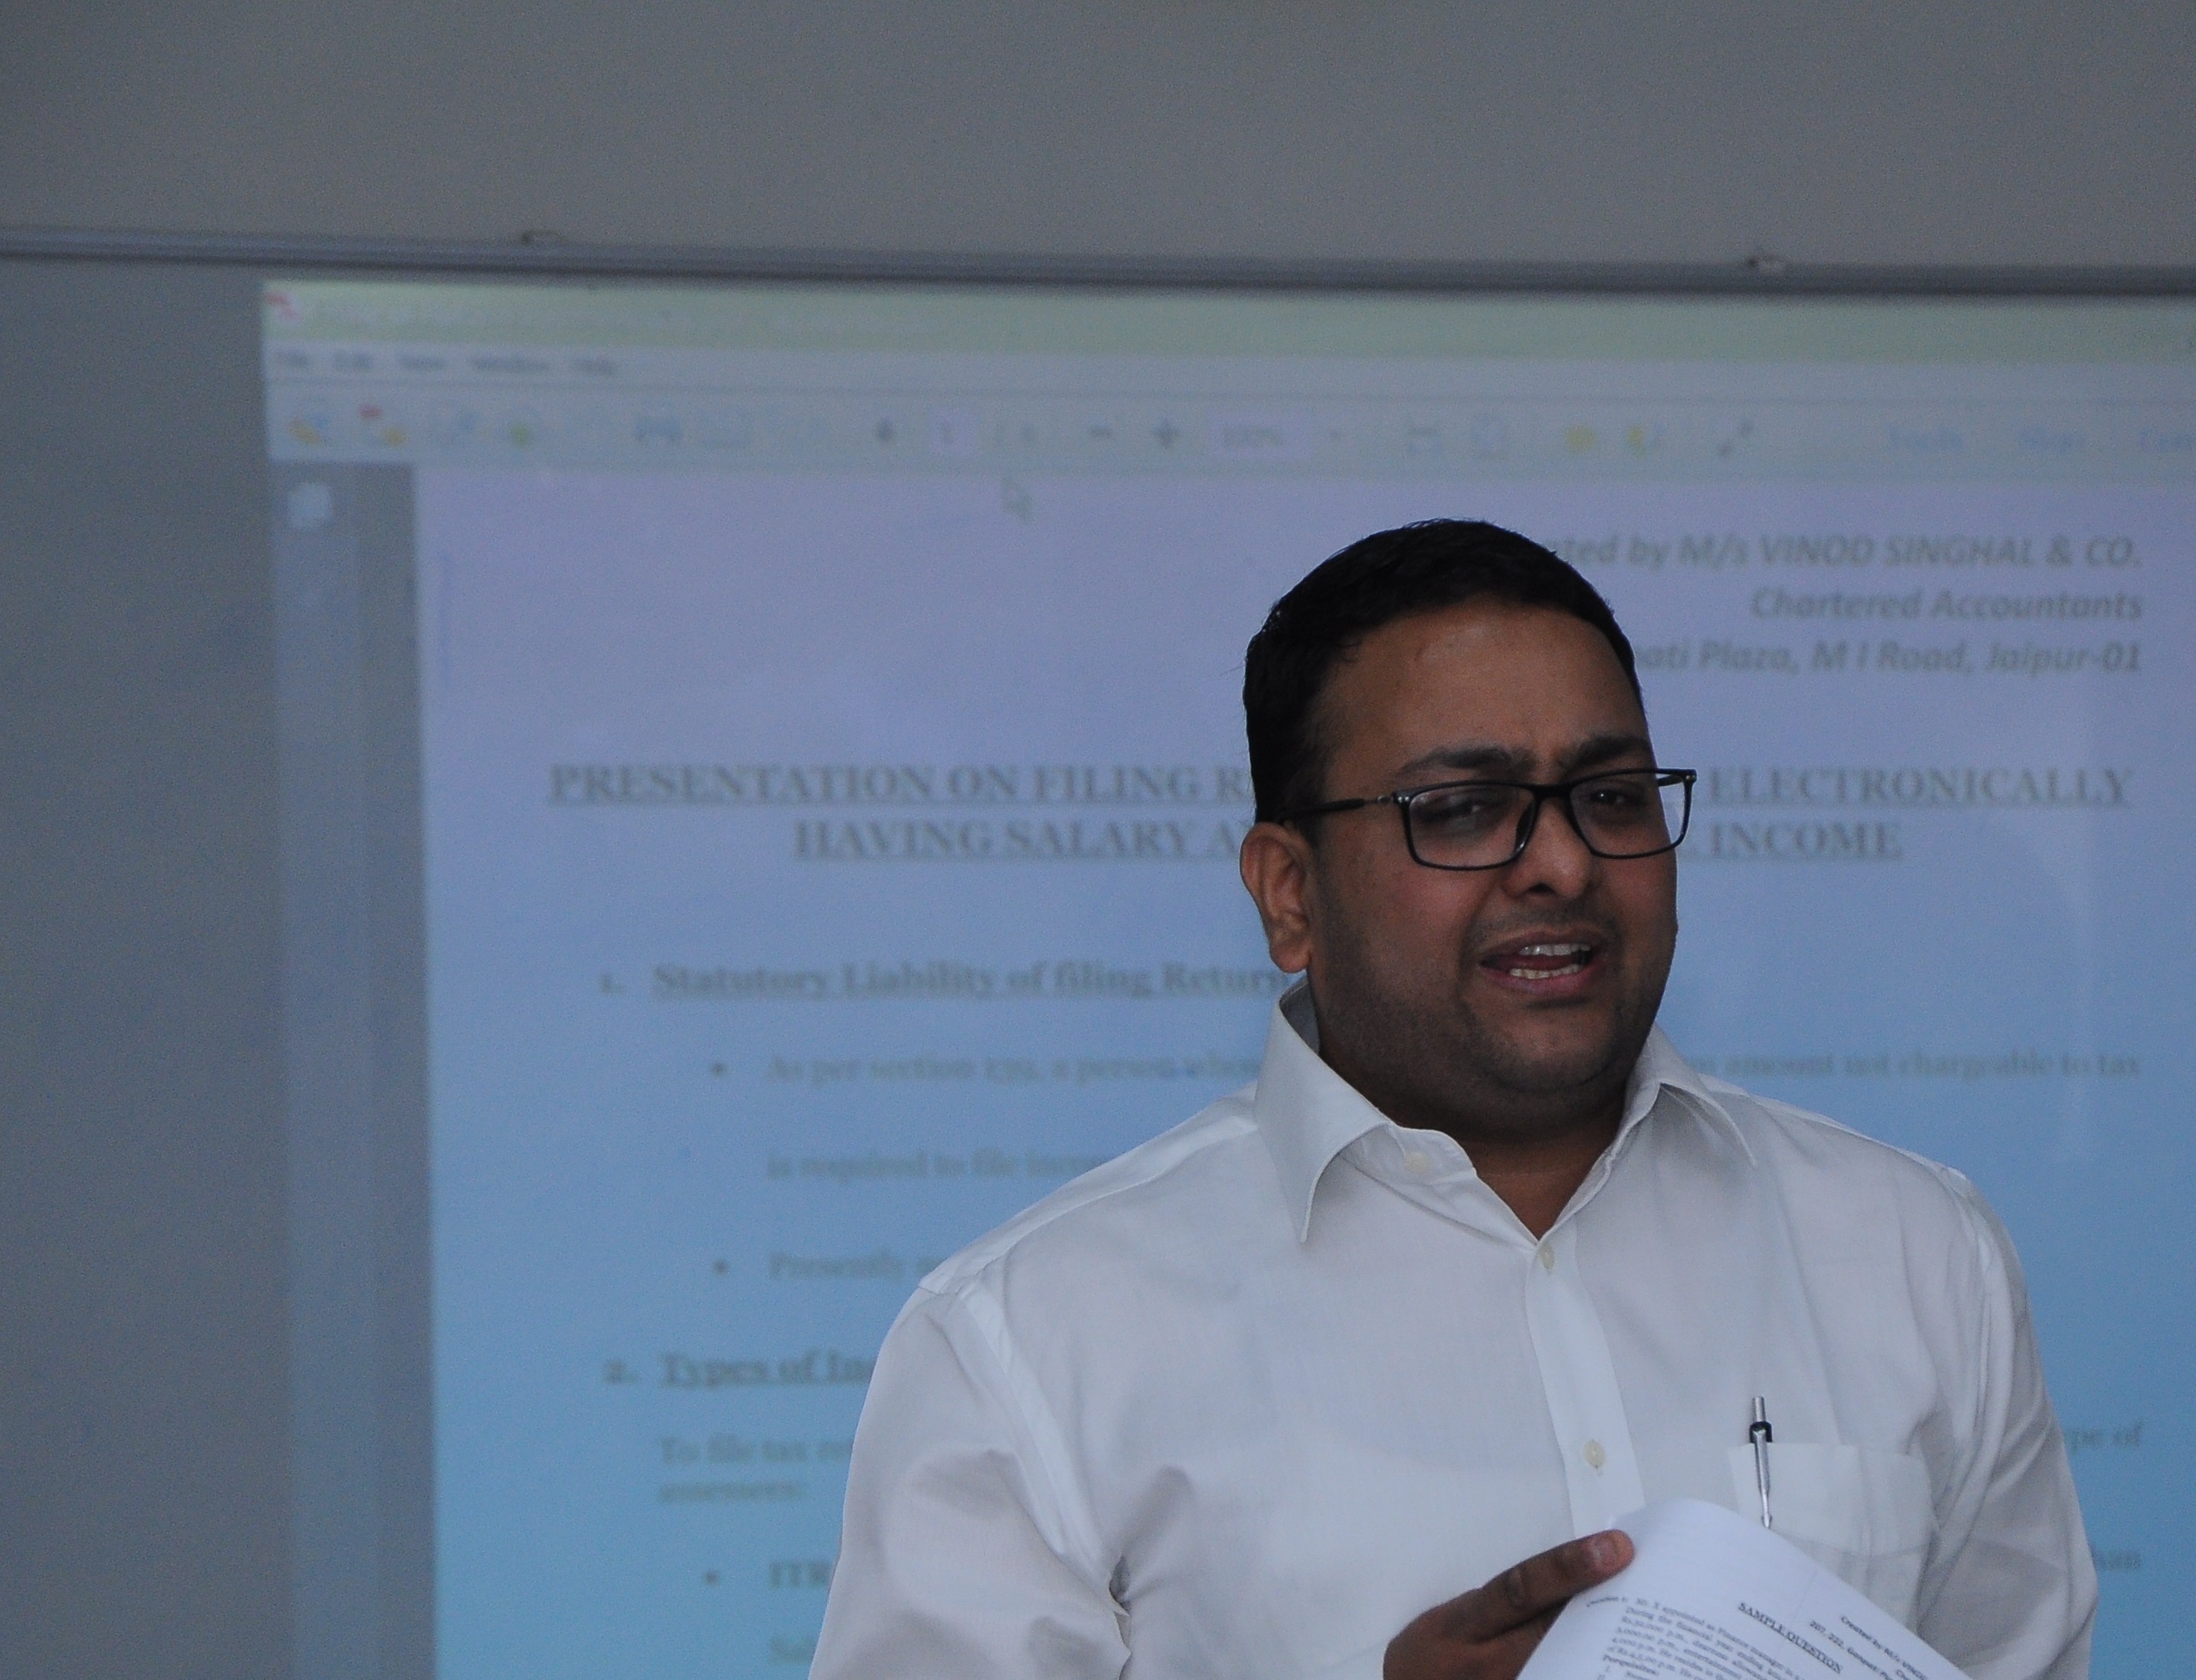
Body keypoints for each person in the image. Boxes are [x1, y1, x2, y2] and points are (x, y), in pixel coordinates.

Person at [812, 520, 2096, 1680]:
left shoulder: (1915, 1255)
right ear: (1290, 895)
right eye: (1466, 810)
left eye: (1610, 797)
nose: (1562, 863)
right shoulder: (1033, 1343)